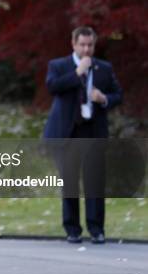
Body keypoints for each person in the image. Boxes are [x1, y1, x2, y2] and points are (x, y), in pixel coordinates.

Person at [44, 26, 122, 244]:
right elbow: (52, 87)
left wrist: (103, 98)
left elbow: (118, 95)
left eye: (90, 45)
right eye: (82, 45)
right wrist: (77, 73)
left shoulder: (104, 68)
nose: (86, 49)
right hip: (67, 132)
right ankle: (73, 229)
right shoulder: (58, 66)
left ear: (94, 45)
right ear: (74, 44)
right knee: (69, 182)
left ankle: (96, 229)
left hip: (93, 130)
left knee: (94, 182)